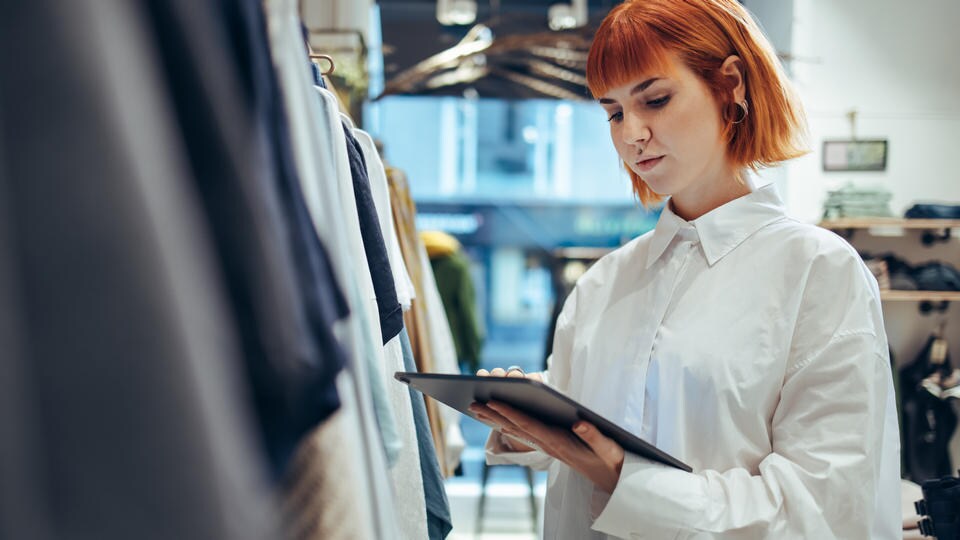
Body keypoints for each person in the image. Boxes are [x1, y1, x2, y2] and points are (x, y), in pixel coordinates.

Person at [467, 1, 901, 538]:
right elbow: (585, 449)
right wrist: (532, 426)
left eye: (655, 99)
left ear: (731, 85)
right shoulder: (605, 282)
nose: (632, 134)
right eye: (615, 112)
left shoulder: (819, 273)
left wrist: (627, 479)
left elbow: (824, 508)